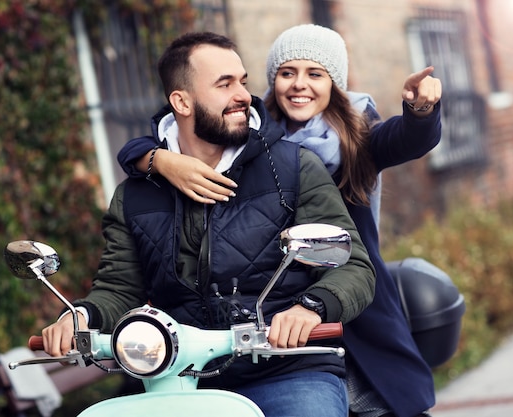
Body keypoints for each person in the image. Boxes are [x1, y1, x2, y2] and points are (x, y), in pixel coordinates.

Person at [42, 31, 376, 417]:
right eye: (224, 84)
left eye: (243, 82)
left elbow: (352, 265)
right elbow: (119, 287)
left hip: (287, 371)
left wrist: (312, 308)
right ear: (181, 101)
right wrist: (80, 316)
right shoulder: (135, 194)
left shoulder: (292, 167)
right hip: (176, 377)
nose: (243, 96)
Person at [118, 25, 442, 417]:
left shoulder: (354, 139)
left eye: (315, 74)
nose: (299, 85)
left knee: (373, 403)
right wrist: (157, 158)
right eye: (287, 73)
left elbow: (408, 138)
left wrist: (420, 110)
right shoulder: (249, 140)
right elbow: (159, 138)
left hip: (342, 309)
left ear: (334, 84)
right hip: (265, 320)